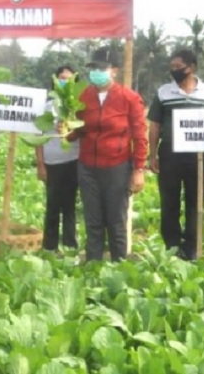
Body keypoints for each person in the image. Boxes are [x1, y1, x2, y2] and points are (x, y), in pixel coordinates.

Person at [66, 47, 147, 261]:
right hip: (87, 168)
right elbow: (79, 129)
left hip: (117, 167)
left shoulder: (129, 98)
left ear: (114, 71)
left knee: (116, 221)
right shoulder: (84, 96)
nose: (96, 72)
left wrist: (139, 170)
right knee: (93, 220)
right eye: (93, 68)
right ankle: (93, 265)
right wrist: (66, 131)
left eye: (101, 68)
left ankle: (119, 266)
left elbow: (140, 136)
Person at [147, 50, 204, 260]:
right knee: (169, 201)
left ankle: (192, 247)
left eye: (178, 67)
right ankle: (172, 246)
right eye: (172, 67)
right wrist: (152, 155)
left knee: (196, 201)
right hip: (169, 154)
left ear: (192, 67)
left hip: (197, 155)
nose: (174, 71)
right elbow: (155, 125)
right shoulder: (164, 92)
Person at [35, 66, 81, 252]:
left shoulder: (78, 107)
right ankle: (49, 247)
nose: (65, 82)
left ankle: (70, 246)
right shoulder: (46, 108)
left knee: (70, 206)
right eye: (61, 78)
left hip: (74, 160)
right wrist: (40, 164)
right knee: (52, 205)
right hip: (52, 162)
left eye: (69, 79)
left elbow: (82, 131)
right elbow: (38, 137)